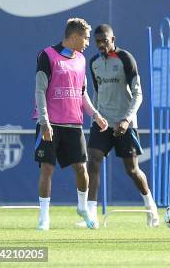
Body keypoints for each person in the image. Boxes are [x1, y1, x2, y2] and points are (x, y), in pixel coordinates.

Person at [79, 24, 159, 228]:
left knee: (132, 170)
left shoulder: (125, 59)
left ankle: (151, 208)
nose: (100, 45)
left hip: (125, 123)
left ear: (113, 39)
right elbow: (97, 93)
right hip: (102, 123)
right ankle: (92, 216)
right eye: (97, 41)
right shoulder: (94, 62)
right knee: (93, 161)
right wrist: (96, 118)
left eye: (104, 41)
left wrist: (126, 119)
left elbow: (138, 93)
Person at [33, 18, 108, 230]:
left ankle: (82, 208)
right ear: (74, 37)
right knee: (47, 169)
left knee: (81, 169)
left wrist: (95, 114)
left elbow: (82, 93)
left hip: (74, 125)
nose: (87, 43)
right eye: (85, 38)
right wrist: (44, 121)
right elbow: (39, 90)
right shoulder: (47, 55)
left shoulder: (82, 60)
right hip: (50, 124)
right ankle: (44, 217)